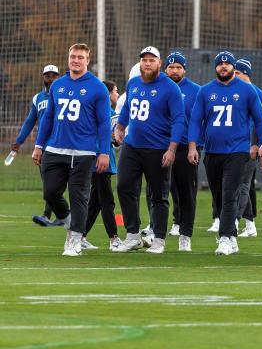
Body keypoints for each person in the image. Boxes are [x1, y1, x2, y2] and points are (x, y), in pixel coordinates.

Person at [32, 43, 112, 256]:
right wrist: (39, 146)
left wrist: (103, 152)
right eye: (73, 56)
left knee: (79, 196)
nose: (76, 60)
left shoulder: (97, 87)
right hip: (55, 149)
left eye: (80, 57)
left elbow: (104, 123)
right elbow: (48, 117)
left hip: (83, 152)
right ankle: (68, 220)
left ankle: (75, 240)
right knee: (50, 192)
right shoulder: (58, 85)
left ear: (87, 60)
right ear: (68, 59)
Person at [188, 51, 262, 256]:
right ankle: (231, 236)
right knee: (219, 197)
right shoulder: (205, 91)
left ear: (234, 67)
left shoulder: (247, 91)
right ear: (215, 67)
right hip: (213, 151)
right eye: (220, 63)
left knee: (230, 193)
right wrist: (192, 146)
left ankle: (223, 238)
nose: (224, 66)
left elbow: (259, 120)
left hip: (237, 151)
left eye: (227, 63)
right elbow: (196, 120)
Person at [113, 46, 185, 254]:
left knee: (158, 195)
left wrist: (172, 148)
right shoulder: (134, 83)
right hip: (132, 146)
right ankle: (133, 235)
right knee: (124, 186)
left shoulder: (170, 88)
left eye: (151, 60)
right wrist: (120, 127)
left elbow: (179, 119)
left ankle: (159, 240)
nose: (147, 63)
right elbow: (127, 109)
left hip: (158, 148)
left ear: (159, 63)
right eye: (144, 60)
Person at [12, 64, 63, 227]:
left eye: (54, 75)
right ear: (43, 78)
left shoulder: (64, 95)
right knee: (49, 184)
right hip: (43, 147)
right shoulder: (37, 98)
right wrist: (19, 141)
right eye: (48, 75)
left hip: (61, 144)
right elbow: (29, 121)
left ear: (58, 77)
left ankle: (52, 215)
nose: (51, 78)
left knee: (54, 185)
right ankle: (53, 216)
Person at [164, 51, 201, 251]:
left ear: (184, 69)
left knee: (186, 193)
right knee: (159, 192)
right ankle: (156, 230)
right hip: (160, 146)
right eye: (171, 67)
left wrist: (195, 146)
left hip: (186, 146)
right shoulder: (159, 87)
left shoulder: (196, 90)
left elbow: (199, 119)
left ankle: (185, 234)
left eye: (178, 67)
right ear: (165, 69)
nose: (175, 71)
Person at [82, 80, 121, 250]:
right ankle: (114, 239)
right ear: (108, 94)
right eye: (115, 91)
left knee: (96, 203)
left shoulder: (111, 112)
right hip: (99, 161)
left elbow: (114, 139)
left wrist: (117, 140)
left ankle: (80, 235)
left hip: (103, 160)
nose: (117, 94)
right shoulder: (101, 112)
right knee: (107, 201)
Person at [234, 57, 262, 238]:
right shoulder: (235, 91)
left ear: (245, 74)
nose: (234, 76)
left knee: (243, 185)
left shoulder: (257, 94)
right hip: (237, 146)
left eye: (237, 72)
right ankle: (250, 225)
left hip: (250, 146)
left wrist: (259, 145)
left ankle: (235, 221)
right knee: (244, 185)